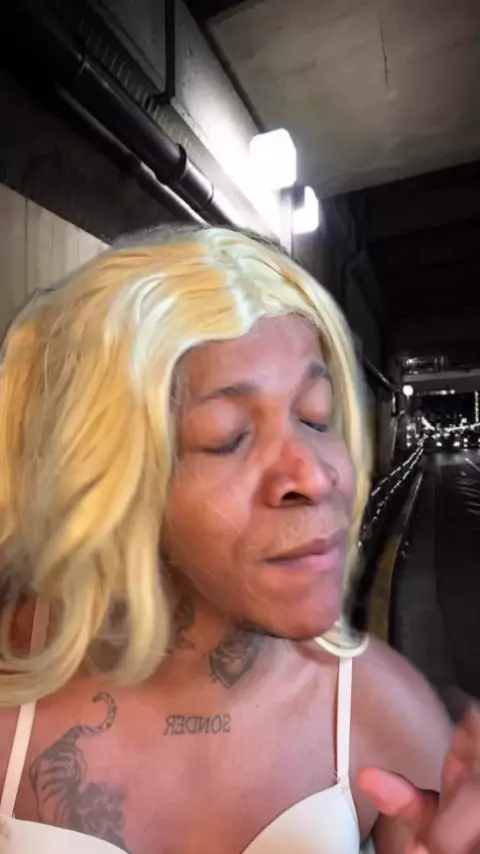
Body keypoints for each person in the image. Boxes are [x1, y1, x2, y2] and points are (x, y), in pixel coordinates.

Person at [0, 224, 478, 854]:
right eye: (228, 438)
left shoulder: (384, 713)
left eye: (316, 418)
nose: (316, 475)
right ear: (107, 482)